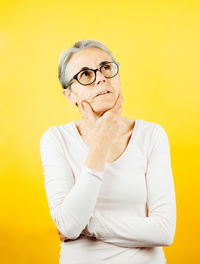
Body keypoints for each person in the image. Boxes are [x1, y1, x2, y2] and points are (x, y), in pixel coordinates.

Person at [40, 39, 176, 264]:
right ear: (70, 96)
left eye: (106, 68)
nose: (101, 78)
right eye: (85, 74)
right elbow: (69, 225)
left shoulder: (152, 135)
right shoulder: (56, 139)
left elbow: (164, 230)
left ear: (118, 78)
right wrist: (101, 143)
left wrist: (88, 226)